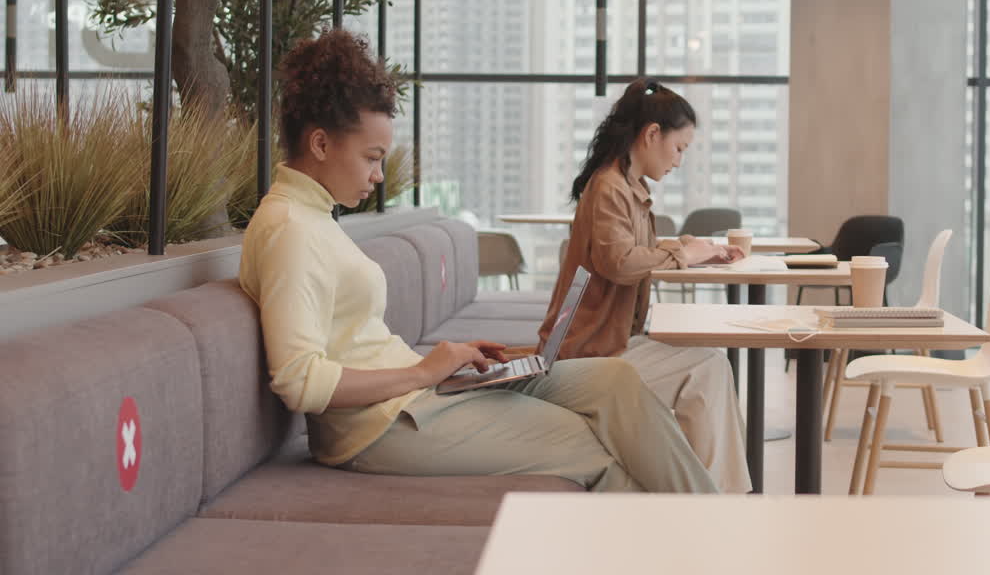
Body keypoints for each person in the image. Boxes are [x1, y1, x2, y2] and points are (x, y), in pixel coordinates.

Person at [238, 30, 716, 493]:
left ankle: (714, 524)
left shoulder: (314, 218)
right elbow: (300, 381)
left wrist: (440, 365)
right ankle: (704, 542)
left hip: (414, 396)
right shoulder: (289, 229)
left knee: (616, 381)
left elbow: (353, 340)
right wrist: (423, 373)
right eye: (371, 157)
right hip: (381, 428)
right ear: (321, 145)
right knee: (597, 445)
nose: (379, 175)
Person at [537, 78, 752, 493]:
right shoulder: (609, 187)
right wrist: (683, 256)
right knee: (707, 369)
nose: (678, 161)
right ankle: (718, 500)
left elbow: (633, 250)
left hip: (611, 342)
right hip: (587, 353)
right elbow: (618, 262)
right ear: (652, 134)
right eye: (679, 148)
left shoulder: (628, 187)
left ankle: (709, 494)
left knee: (709, 367)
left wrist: (690, 248)